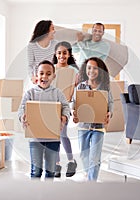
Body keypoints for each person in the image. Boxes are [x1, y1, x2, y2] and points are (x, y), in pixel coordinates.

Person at [18, 60, 71, 179]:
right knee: (36, 171)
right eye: (41, 73)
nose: (44, 77)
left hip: (53, 138)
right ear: (37, 75)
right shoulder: (30, 93)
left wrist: (64, 116)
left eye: (48, 74)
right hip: (35, 139)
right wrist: (23, 117)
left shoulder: (57, 93)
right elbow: (21, 109)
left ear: (53, 76)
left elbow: (66, 107)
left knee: (50, 171)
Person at [72, 57, 113, 181]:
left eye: (95, 68)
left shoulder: (105, 87)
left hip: (98, 128)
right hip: (83, 127)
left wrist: (109, 114)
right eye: (89, 68)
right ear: (85, 70)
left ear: (100, 70)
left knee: (94, 158)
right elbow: (74, 103)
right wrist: (73, 112)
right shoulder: (80, 87)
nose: (92, 71)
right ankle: (87, 172)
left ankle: (92, 182)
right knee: (84, 155)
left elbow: (110, 104)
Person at [52, 41, 79, 178]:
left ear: (69, 54)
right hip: (51, 106)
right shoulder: (51, 69)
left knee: (62, 134)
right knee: (54, 136)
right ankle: (56, 164)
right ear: (55, 54)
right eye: (59, 53)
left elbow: (77, 92)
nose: (61, 55)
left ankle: (70, 161)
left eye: (64, 53)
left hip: (65, 107)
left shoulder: (74, 71)